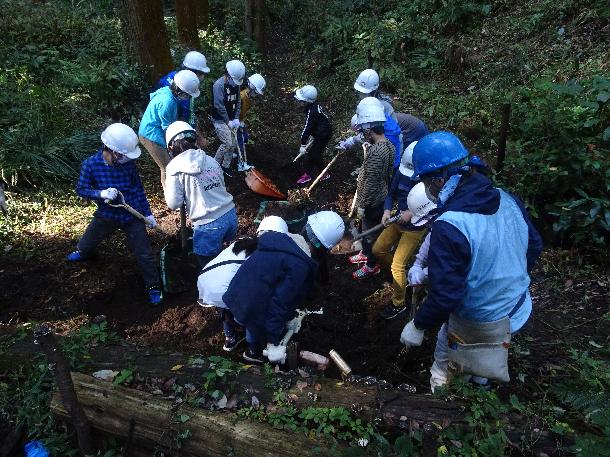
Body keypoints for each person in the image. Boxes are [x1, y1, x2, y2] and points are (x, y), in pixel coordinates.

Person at [398, 132, 543, 392]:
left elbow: (446, 295)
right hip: (518, 308)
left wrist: (418, 325)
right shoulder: (507, 198)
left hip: (480, 319)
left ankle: (443, 399)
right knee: (488, 355)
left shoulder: (449, 225)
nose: (429, 190)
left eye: (428, 183)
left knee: (446, 358)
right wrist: (506, 279)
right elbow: (533, 245)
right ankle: (482, 382)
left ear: (440, 181)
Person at [67, 123, 162, 305]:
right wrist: (100, 194)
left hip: (131, 215)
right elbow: (81, 189)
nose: (126, 158)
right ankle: (83, 252)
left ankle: (153, 286)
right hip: (106, 214)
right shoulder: (91, 165)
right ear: (110, 150)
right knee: (87, 242)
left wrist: (147, 214)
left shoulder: (129, 164)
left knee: (144, 254)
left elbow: (138, 190)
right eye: (122, 155)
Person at [222, 215, 317, 363]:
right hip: (247, 304)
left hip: (231, 293)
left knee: (241, 317)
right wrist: (273, 341)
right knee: (253, 327)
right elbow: (280, 302)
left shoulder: (264, 247)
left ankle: (231, 337)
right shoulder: (298, 266)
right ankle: (253, 354)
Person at [164, 121, 238, 268]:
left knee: (209, 267)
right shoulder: (209, 159)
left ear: (171, 146)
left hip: (208, 225)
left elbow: (174, 203)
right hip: (230, 216)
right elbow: (221, 185)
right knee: (226, 255)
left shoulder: (174, 167)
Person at [372, 144, 431, 319]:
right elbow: (391, 194)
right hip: (396, 221)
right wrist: (386, 211)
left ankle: (399, 303)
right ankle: (400, 277)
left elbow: (434, 205)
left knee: (397, 265)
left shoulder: (431, 180)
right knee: (378, 250)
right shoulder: (401, 172)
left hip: (415, 229)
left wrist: (412, 212)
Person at [349, 97, 395, 280]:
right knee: (369, 230)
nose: (362, 134)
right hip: (382, 195)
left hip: (373, 200)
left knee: (370, 233)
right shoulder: (388, 146)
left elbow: (371, 181)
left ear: (369, 129)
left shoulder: (377, 152)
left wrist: (362, 204)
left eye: (363, 130)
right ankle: (367, 254)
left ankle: (371, 264)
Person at [139, 69, 201, 190]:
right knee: (168, 166)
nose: (188, 97)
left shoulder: (170, 94)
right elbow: (167, 129)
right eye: (187, 95)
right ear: (179, 90)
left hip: (159, 132)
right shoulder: (167, 102)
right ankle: (171, 196)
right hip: (151, 135)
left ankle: (180, 189)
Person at [156, 51, 211, 125]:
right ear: (192, 71)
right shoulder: (186, 87)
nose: (202, 76)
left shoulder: (172, 75)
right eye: (201, 73)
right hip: (168, 125)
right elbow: (187, 113)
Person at [211, 60, 246, 177]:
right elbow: (219, 105)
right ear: (228, 75)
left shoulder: (236, 85)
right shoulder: (218, 85)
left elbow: (238, 102)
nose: (236, 84)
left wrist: (236, 118)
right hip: (220, 120)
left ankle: (225, 166)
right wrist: (228, 121)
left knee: (234, 143)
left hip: (231, 119)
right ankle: (214, 165)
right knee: (227, 143)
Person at [294, 84, 333, 185]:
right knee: (312, 154)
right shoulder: (312, 107)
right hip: (319, 132)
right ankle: (307, 175)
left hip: (324, 135)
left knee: (315, 154)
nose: (299, 102)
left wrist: (303, 144)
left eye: (301, 101)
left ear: (307, 101)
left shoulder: (312, 112)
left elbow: (307, 128)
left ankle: (325, 174)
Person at [236, 73, 266, 170]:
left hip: (240, 121)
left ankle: (235, 152)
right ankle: (240, 164)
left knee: (245, 137)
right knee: (240, 139)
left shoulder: (248, 97)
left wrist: (242, 122)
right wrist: (237, 122)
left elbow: (244, 111)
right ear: (252, 87)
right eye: (256, 92)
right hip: (234, 121)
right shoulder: (241, 96)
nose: (256, 94)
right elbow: (236, 110)